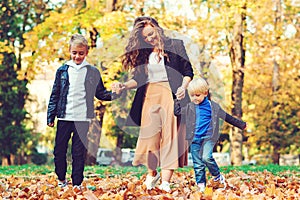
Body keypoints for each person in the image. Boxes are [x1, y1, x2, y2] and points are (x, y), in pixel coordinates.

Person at [113, 16, 194, 192]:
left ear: (157, 28)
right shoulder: (143, 53)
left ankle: (165, 182)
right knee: (149, 138)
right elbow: (138, 79)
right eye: (145, 37)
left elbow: (188, 71)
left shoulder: (175, 45)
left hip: (170, 94)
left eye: (151, 34)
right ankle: (152, 174)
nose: (150, 39)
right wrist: (124, 85)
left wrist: (183, 86)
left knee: (170, 138)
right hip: (149, 96)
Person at [47, 33, 119, 191]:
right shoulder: (62, 71)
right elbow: (55, 94)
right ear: (69, 51)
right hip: (64, 116)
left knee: (79, 153)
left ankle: (77, 183)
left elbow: (100, 93)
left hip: (82, 119)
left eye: (81, 53)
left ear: (86, 52)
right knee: (59, 150)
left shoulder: (92, 71)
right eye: (74, 53)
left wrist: (115, 94)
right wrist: (50, 115)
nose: (77, 56)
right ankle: (61, 179)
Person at [184, 77, 247, 192]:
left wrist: (241, 125)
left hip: (208, 138)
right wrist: (176, 103)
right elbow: (178, 114)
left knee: (206, 157)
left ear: (205, 93)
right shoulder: (190, 107)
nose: (194, 98)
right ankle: (201, 185)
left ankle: (217, 176)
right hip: (194, 139)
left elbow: (227, 117)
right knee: (198, 164)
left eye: (197, 95)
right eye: (192, 95)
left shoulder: (213, 107)